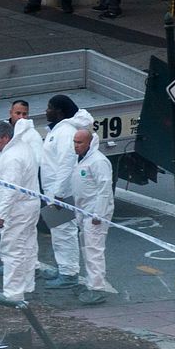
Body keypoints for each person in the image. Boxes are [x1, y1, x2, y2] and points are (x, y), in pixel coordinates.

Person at [40, 94, 94, 289]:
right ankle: (64, 268)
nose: (46, 110)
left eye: (49, 107)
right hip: (55, 192)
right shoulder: (60, 130)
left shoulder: (64, 133)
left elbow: (66, 164)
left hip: (60, 193)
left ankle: (69, 273)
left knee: (64, 231)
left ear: (59, 111)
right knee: (59, 231)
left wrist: (59, 194)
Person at [0, 120, 40, 301]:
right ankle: (27, 285)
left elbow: (10, 189)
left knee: (13, 251)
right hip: (28, 206)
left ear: (6, 137)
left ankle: (13, 293)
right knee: (27, 247)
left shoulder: (13, 158)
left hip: (17, 210)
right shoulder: (23, 148)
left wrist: (1, 215)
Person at [72, 129, 114, 304]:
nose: (75, 146)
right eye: (74, 142)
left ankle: (97, 288)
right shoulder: (81, 159)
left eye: (79, 142)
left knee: (94, 251)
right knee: (87, 249)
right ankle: (92, 283)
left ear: (89, 143)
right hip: (85, 211)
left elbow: (105, 189)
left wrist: (99, 213)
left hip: (95, 214)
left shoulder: (98, 161)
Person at [0, 99, 43, 172]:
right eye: (18, 113)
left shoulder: (33, 135)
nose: (21, 117)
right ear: (11, 113)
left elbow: (37, 160)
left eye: (24, 114)